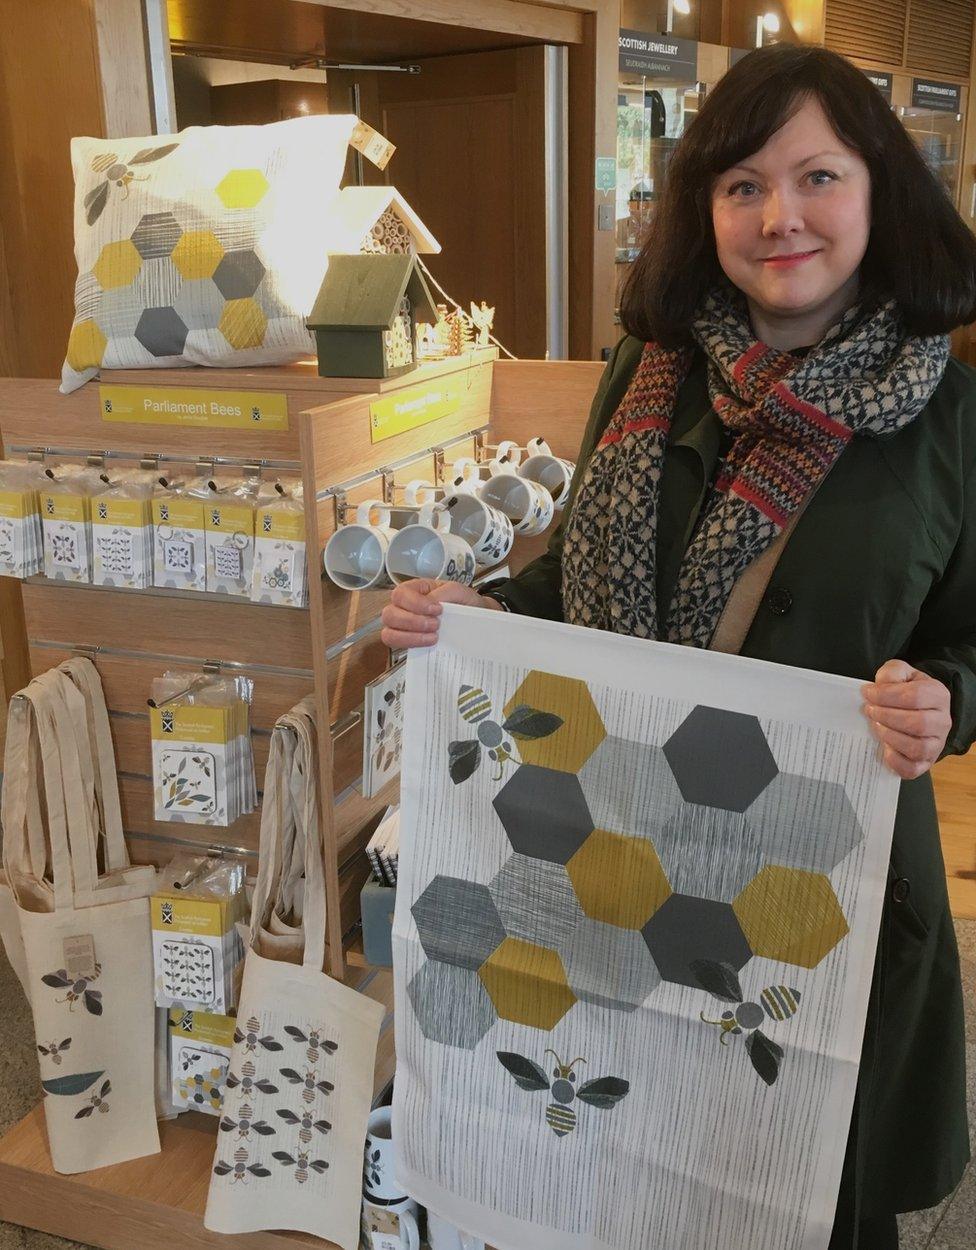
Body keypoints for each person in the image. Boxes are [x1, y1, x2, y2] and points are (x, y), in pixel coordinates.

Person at [381, 43, 975, 1250]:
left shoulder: (947, 417)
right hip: (614, 850)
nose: (780, 217)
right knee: (608, 1161)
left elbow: (971, 643)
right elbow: (564, 584)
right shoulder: (647, 377)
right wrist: (483, 615)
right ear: (702, 208)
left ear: (879, 192)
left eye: (816, 177)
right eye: (741, 184)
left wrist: (943, 699)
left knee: (803, 1183)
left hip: (823, 888)